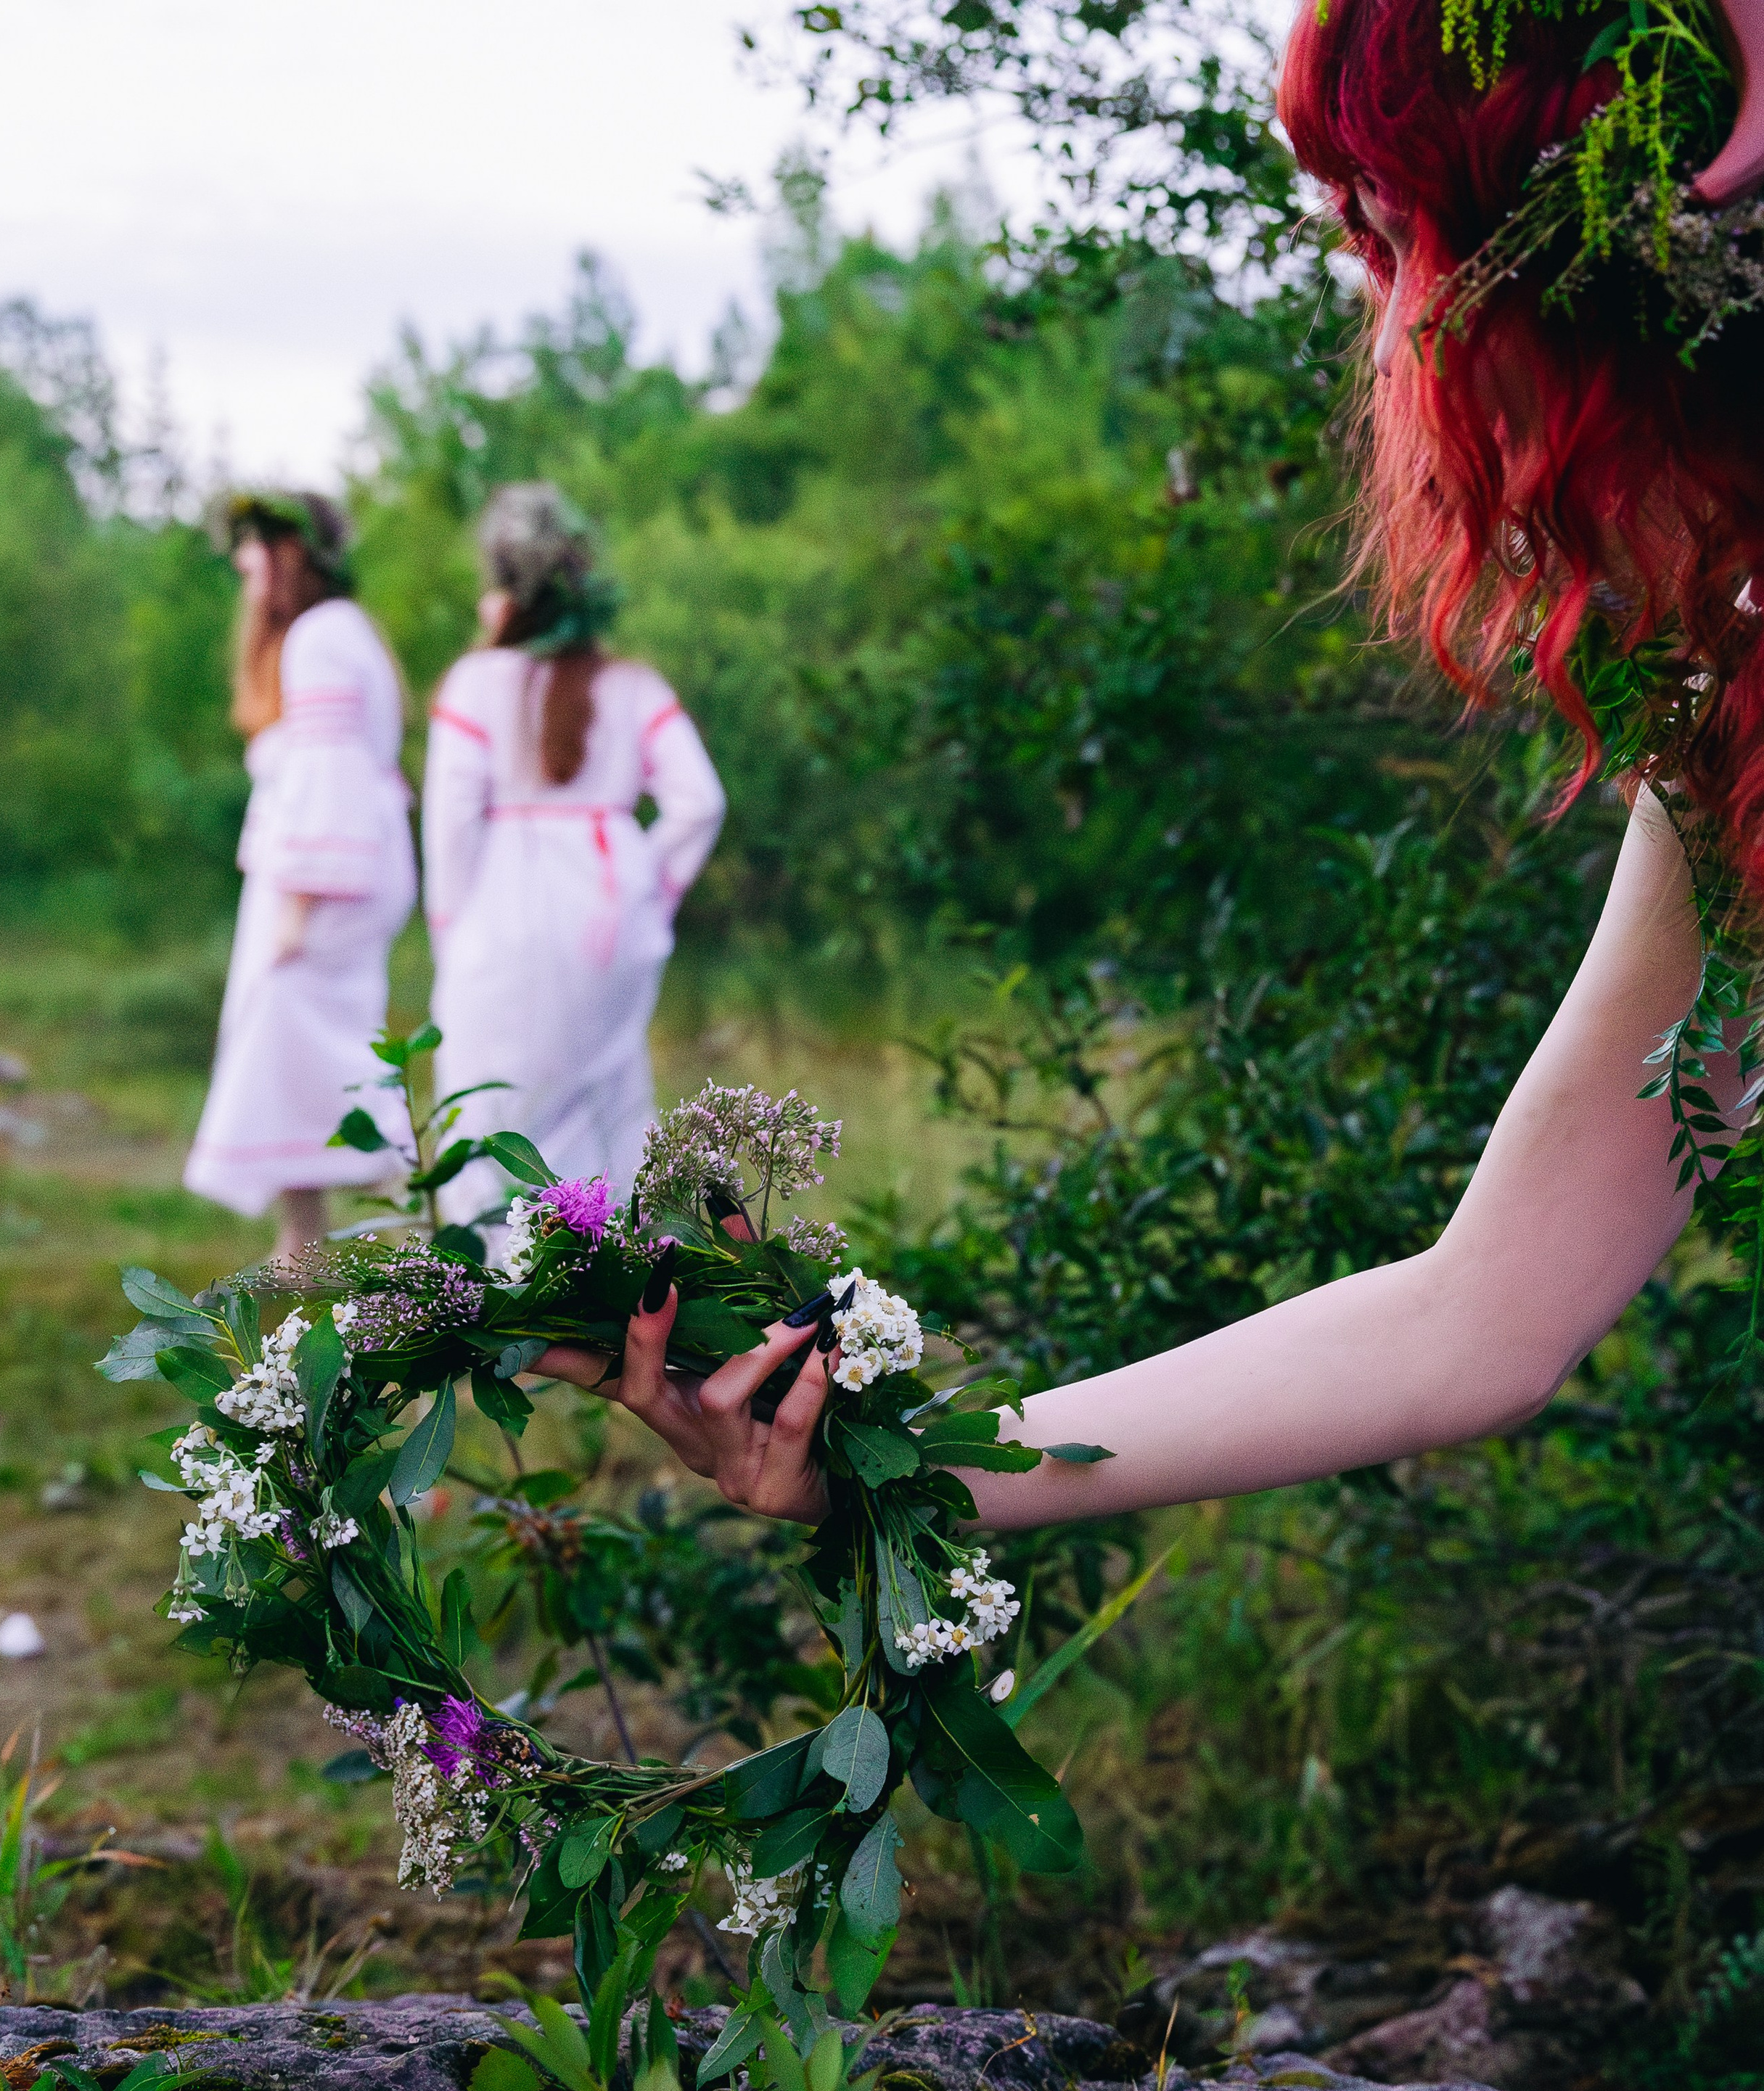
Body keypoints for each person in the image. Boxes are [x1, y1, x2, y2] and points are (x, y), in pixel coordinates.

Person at [537, 0, 1764, 1527]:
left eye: (1401, 245)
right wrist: (904, 1466)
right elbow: (1482, 1312)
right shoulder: (1721, 737)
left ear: (1614, 241)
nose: (1385, 338)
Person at [422, 483, 726, 1226]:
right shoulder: (633, 684)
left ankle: (492, 1295)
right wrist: (647, 890)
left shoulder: (474, 682)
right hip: (608, 910)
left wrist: (450, 930)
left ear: (502, 589)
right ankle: (615, 1292)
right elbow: (700, 802)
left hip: (501, 914)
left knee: (492, 1098)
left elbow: (451, 823)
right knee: (608, 1099)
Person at [184, 493, 416, 1260]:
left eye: (254, 546)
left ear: (291, 554)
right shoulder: (342, 631)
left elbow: (330, 771)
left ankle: (402, 1228)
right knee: (302, 1049)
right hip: (339, 864)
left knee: (306, 1041)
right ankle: (306, 1240)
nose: (242, 562)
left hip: (321, 876)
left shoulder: (318, 639)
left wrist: (296, 911)